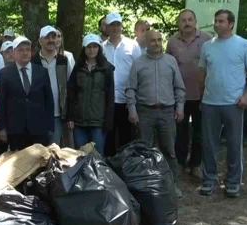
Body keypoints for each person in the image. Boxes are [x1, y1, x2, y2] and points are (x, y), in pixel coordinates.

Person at [199, 10, 247, 198]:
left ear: (231, 24)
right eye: (216, 21)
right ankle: (209, 180)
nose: (217, 24)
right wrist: (201, 98)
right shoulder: (207, 46)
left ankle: (233, 182)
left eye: (221, 21)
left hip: (234, 103)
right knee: (209, 144)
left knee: (234, 144)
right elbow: (202, 74)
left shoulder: (243, 44)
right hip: (210, 102)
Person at [126, 30, 186, 197]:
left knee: (169, 150)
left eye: (159, 40)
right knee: (144, 151)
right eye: (153, 40)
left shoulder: (170, 61)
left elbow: (179, 87)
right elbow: (130, 88)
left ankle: (172, 186)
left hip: (167, 112)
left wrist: (180, 107)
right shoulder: (138, 63)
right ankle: (146, 187)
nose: (157, 43)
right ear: (146, 42)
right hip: (145, 112)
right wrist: (132, 110)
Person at [166, 9, 212, 176]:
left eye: (190, 19)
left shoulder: (207, 39)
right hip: (180, 96)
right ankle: (180, 162)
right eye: (183, 20)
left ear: (195, 21)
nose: (187, 23)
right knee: (180, 132)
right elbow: (167, 66)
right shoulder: (172, 42)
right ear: (179, 23)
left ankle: (196, 164)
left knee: (200, 132)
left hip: (202, 94)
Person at [0, 36, 54, 150]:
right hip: (15, 130)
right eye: (21, 50)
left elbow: (49, 101)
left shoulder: (42, 72)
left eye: (27, 49)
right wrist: (2, 128)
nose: (25, 53)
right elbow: (1, 102)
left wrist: (50, 127)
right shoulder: (5, 73)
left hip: (39, 129)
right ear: (14, 52)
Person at [66, 34, 115, 155]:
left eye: (94, 46)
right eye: (89, 47)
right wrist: (70, 117)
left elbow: (110, 96)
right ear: (84, 49)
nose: (92, 49)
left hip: (99, 122)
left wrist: (108, 121)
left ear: (99, 48)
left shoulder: (106, 68)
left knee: (98, 156)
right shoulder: (78, 67)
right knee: (80, 156)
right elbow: (71, 93)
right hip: (79, 121)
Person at [103, 12, 142, 157]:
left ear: (122, 26)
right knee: (109, 138)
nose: (115, 28)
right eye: (112, 25)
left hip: (127, 101)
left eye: (117, 24)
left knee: (127, 138)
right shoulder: (101, 47)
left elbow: (139, 70)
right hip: (107, 101)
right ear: (106, 27)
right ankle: (110, 166)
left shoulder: (132, 45)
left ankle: (127, 166)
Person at [34, 25, 74, 146]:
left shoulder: (64, 60)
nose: (51, 40)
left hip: (58, 115)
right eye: (47, 37)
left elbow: (71, 88)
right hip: (37, 115)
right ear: (40, 40)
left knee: (54, 150)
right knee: (38, 151)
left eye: (53, 37)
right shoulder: (33, 61)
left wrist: (70, 115)